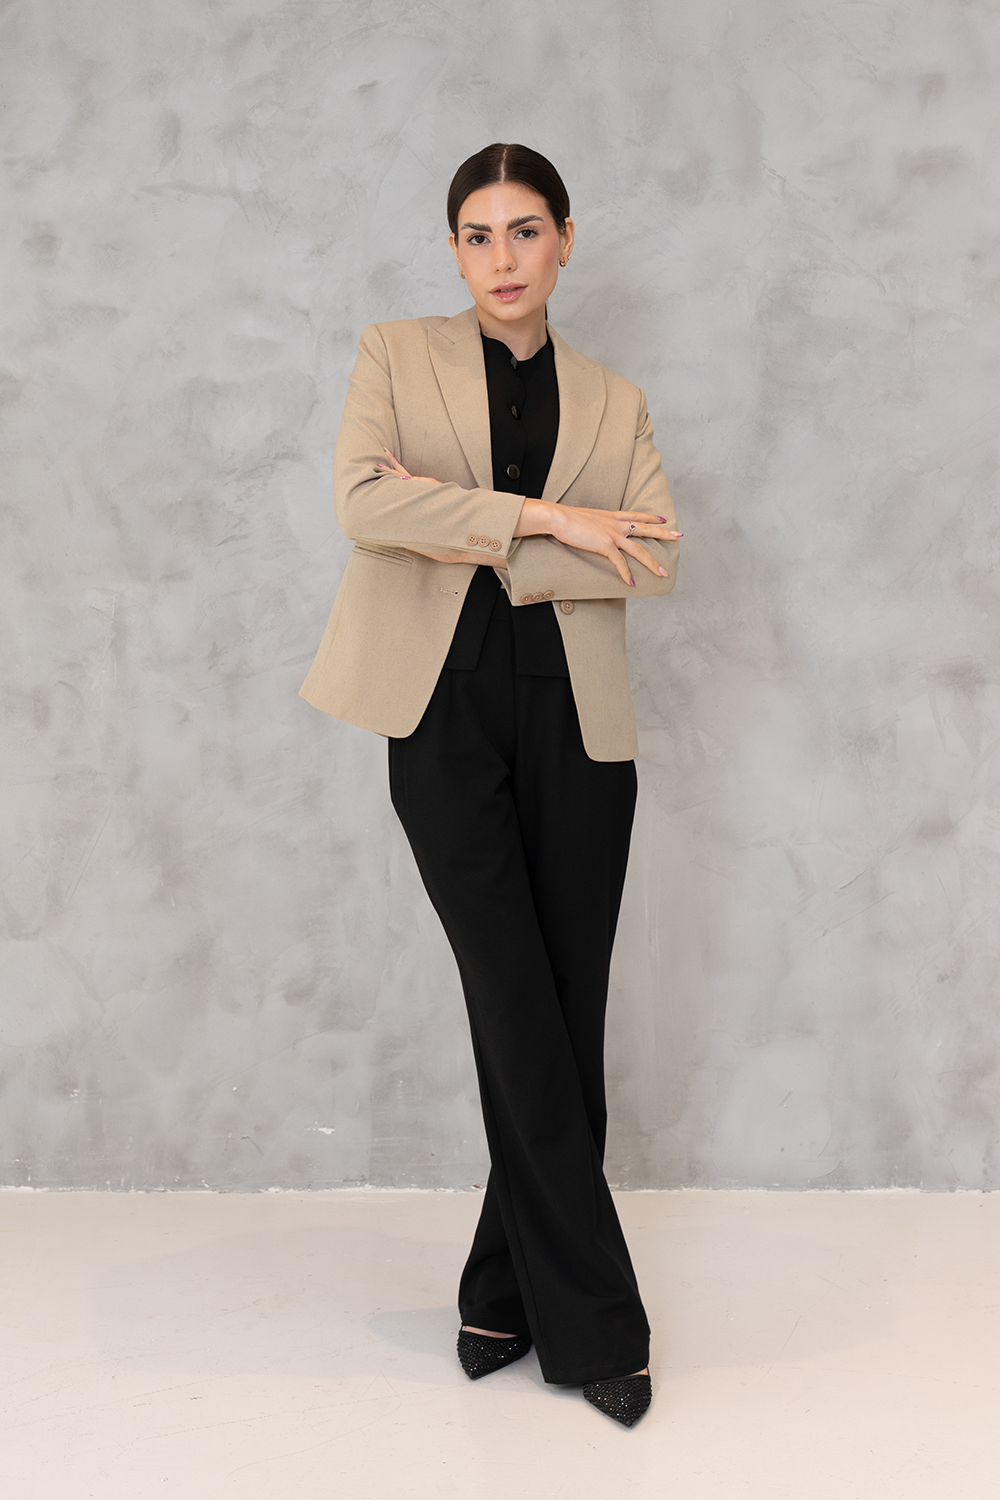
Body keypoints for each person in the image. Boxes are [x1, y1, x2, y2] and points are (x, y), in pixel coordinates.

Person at [300, 143, 681, 1427]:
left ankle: (501, 1288)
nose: (502, 258)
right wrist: (552, 520)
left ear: (566, 238)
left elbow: (656, 559)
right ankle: (599, 1324)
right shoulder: (393, 355)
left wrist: (456, 518)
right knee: (512, 996)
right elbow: (363, 504)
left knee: (563, 1014)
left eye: (525, 231)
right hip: (441, 713)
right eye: (477, 234)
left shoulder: (615, 401)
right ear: (453, 250)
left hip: (580, 722)